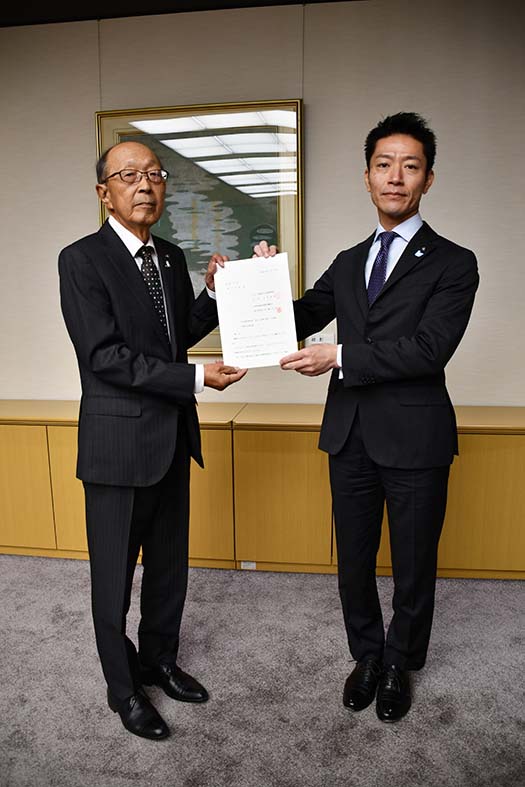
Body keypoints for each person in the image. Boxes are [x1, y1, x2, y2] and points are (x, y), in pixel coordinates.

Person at [270, 112, 479, 722]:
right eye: (384, 165)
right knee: (354, 559)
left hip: (416, 436)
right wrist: (253, 283)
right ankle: (366, 654)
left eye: (410, 166)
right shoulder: (349, 259)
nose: (395, 177)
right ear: (367, 177)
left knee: (413, 563)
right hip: (350, 434)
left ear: (428, 179)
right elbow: (300, 315)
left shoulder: (454, 262)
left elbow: (428, 350)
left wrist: (339, 356)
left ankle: (399, 663)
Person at [58, 140, 246, 740]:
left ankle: (159, 660)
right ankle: (123, 689)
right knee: (113, 578)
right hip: (117, 448)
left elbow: (176, 335)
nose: (145, 185)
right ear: (104, 192)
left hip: (171, 438)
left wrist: (213, 295)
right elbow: (105, 356)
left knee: (169, 570)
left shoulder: (167, 255)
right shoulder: (81, 260)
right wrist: (197, 379)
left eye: (155, 175)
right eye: (129, 175)